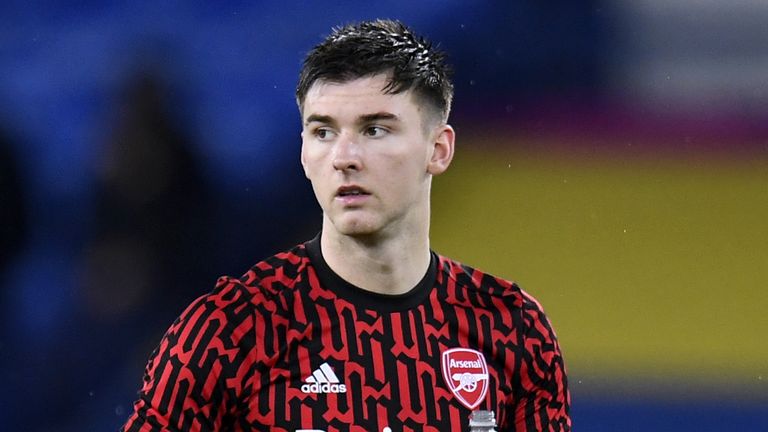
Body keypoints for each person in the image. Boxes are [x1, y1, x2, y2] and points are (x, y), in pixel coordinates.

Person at [122, 19, 570, 431]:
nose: (344, 157)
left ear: (439, 149)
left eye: (375, 130)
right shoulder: (229, 330)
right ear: (303, 153)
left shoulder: (513, 329)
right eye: (323, 132)